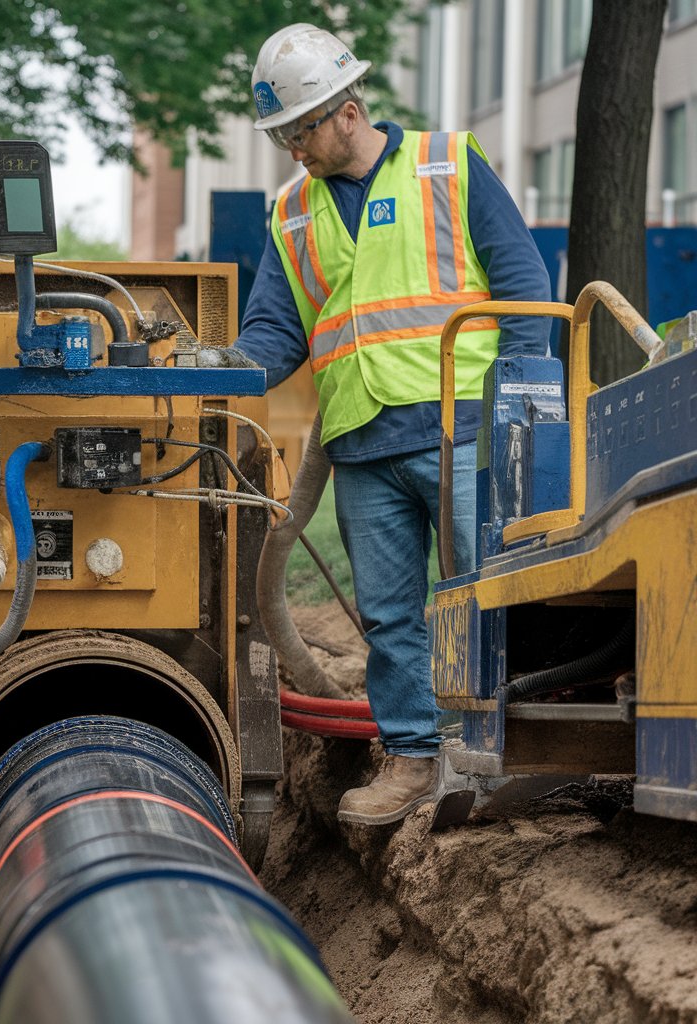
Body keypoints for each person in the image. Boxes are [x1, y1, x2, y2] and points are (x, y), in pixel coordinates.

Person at [231, 23, 551, 824]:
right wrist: (211, 367)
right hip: (363, 441)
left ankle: (502, 752)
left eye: (299, 131)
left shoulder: (446, 164)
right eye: (280, 137)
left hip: (464, 427)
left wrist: (516, 407)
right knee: (388, 614)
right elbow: (277, 331)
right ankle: (414, 759)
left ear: (344, 110)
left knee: (485, 595)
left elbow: (522, 284)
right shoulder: (292, 211)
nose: (291, 151)